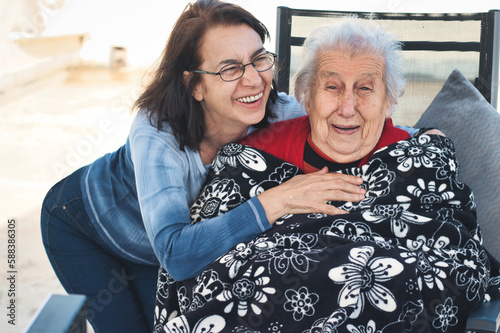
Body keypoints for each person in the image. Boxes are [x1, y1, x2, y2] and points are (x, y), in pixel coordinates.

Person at [154, 17, 499, 332]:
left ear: (389, 100)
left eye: (365, 88)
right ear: (307, 96)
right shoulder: (249, 157)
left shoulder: (421, 156)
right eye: (332, 87)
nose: (347, 108)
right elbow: (193, 280)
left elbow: (458, 262)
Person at [40, 1, 368, 332]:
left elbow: (356, 126)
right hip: (83, 224)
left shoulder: (279, 112)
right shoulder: (157, 132)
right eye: (230, 69)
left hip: (164, 250)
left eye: (259, 59)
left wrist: (418, 132)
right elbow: (177, 254)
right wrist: (277, 200)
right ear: (194, 85)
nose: (254, 80)